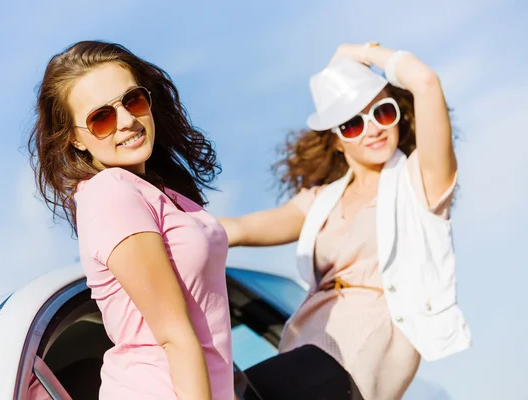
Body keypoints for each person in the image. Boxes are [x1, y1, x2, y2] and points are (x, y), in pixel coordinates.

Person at [219, 43, 472, 400]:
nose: (372, 129)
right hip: (307, 336)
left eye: (382, 113)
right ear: (337, 141)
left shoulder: (419, 183)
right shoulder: (322, 201)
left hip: (365, 346)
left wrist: (364, 52)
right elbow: (239, 229)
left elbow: (426, 82)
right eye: (353, 123)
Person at [28, 40, 234, 400]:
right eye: (101, 118)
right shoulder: (111, 193)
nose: (127, 121)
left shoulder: (156, 196)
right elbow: (174, 335)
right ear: (76, 139)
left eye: (133, 100)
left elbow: (241, 230)